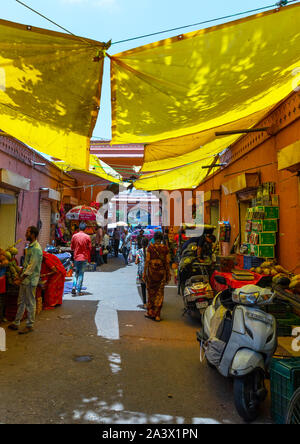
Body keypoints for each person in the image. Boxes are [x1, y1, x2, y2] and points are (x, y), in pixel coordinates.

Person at [8, 226, 43, 334]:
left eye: (27, 232)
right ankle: (16, 322)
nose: (25, 234)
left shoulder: (36, 249)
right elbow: (26, 265)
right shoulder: (30, 247)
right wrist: (19, 275)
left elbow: (31, 268)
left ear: (33, 234)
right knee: (21, 301)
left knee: (30, 303)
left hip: (30, 280)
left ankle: (30, 325)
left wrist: (20, 278)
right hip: (25, 280)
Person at [143, 231, 171, 322]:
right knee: (160, 293)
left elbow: (147, 261)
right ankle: (158, 315)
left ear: (154, 238)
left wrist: (144, 272)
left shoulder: (150, 247)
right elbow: (167, 262)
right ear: (161, 239)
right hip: (161, 273)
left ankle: (150, 313)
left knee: (151, 293)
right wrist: (168, 274)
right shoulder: (165, 248)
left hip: (151, 273)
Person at [70, 222, 92, 296]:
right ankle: (78, 290)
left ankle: (73, 286)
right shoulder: (87, 237)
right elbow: (90, 248)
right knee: (81, 274)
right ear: (85, 229)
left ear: (79, 228)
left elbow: (72, 247)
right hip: (83, 258)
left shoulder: (74, 236)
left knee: (76, 273)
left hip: (76, 258)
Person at [135, 237, 149, 309]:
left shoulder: (138, 251)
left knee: (143, 288)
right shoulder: (150, 250)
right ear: (148, 243)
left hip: (141, 271)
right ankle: (150, 302)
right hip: (149, 271)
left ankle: (144, 303)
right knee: (150, 288)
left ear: (141, 243)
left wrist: (140, 261)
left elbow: (136, 261)